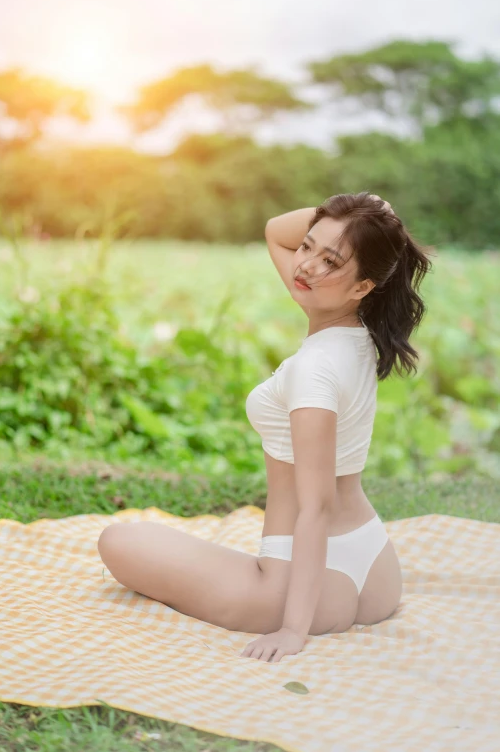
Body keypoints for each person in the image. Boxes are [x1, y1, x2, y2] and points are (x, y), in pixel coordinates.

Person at [98, 192, 433, 663]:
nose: (307, 266)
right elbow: (279, 231)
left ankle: (294, 616)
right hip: (376, 569)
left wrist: (293, 629)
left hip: (296, 583)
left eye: (330, 260)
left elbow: (315, 508)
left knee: (117, 542)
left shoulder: (315, 368)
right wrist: (372, 218)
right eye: (309, 247)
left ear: (362, 285)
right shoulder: (354, 328)